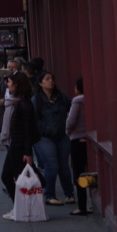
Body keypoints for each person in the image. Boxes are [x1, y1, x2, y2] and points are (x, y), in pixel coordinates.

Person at [32, 71, 77, 206]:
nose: (50, 81)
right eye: (47, 79)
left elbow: (72, 109)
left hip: (62, 135)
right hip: (44, 137)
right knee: (51, 165)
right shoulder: (36, 100)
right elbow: (34, 119)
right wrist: (44, 130)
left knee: (64, 166)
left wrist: (68, 127)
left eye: (52, 79)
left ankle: (69, 194)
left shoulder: (61, 97)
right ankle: (49, 195)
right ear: (40, 83)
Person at [1, 72, 38, 201]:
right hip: (15, 144)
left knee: (14, 177)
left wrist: (27, 152)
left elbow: (28, 130)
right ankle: (19, 206)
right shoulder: (19, 103)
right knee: (11, 176)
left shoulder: (24, 104)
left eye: (9, 82)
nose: (7, 84)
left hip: (19, 147)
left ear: (16, 85)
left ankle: (21, 207)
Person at [67, 76, 91, 216]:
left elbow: (71, 121)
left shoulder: (77, 100)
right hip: (90, 138)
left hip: (77, 139)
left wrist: (68, 132)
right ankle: (93, 202)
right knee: (92, 171)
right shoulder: (93, 98)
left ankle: (82, 205)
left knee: (79, 173)